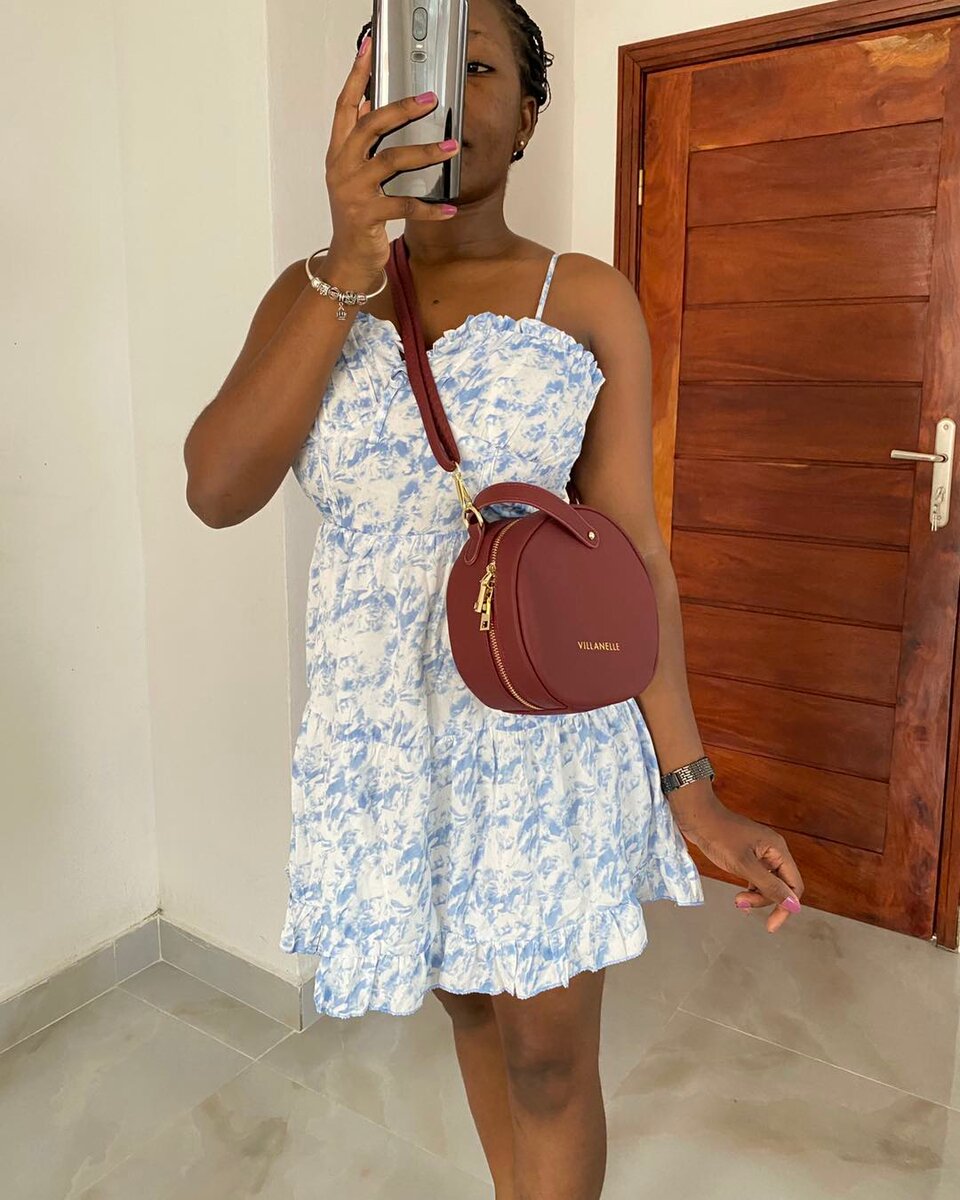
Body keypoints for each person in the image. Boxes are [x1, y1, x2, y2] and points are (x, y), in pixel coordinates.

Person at [183, 3, 804, 1197]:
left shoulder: (585, 297)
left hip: (542, 750)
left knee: (551, 1064)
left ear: (525, 117)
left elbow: (636, 554)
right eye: (412, 68)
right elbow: (216, 489)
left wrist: (693, 788)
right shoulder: (310, 296)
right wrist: (348, 261)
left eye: (476, 68)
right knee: (469, 1008)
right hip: (389, 747)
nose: (443, 97)